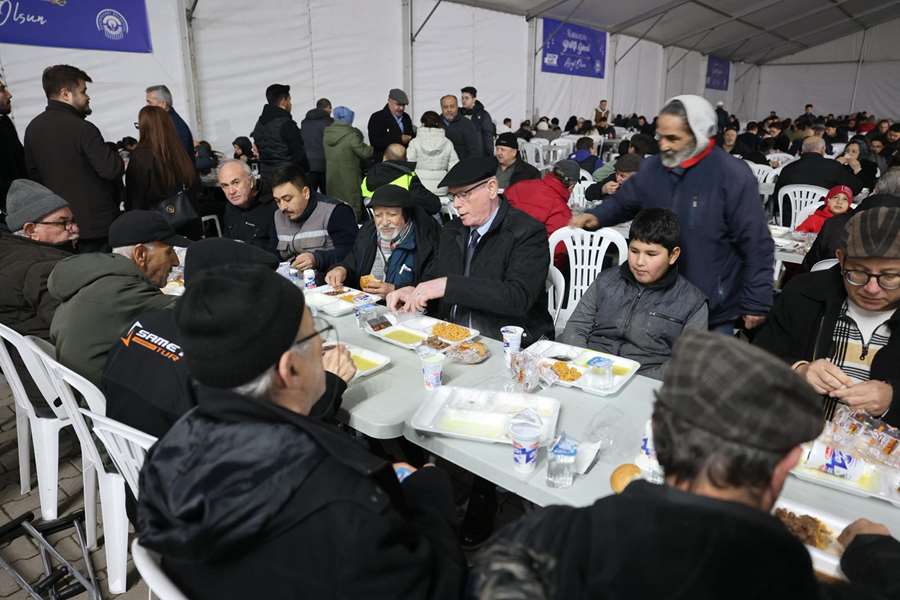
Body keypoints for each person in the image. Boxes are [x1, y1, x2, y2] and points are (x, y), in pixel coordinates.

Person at [469, 329, 900, 600]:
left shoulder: (548, 537)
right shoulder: (793, 581)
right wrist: (877, 555)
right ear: (788, 462)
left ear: (657, 433)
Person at [136, 265, 466, 600]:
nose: (324, 345)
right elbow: (436, 587)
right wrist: (429, 489)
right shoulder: (342, 505)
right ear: (289, 369)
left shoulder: (167, 453)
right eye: (317, 336)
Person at [102, 237, 356, 439]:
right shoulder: (223, 366)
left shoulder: (144, 323)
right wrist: (329, 384)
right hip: (207, 493)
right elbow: (279, 442)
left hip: (136, 471)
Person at [570, 95, 773, 334]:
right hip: (658, 296)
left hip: (711, 304)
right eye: (661, 137)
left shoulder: (732, 175)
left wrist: (756, 300)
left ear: (700, 136)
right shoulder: (653, 168)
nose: (663, 145)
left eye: (673, 138)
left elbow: (756, 241)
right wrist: (597, 216)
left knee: (700, 369)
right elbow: (625, 201)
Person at [756, 207, 900, 426]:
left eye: (889, 277)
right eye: (858, 273)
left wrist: (892, 397)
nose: (872, 288)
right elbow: (755, 361)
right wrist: (799, 370)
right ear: (841, 259)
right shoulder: (804, 294)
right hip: (795, 439)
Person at [387, 157, 553, 342]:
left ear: (491, 188)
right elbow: (435, 278)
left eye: (463, 194)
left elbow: (517, 298)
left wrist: (449, 285)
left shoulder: (527, 232)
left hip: (507, 340)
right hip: (452, 336)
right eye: (453, 197)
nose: (456, 204)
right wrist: (414, 292)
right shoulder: (452, 230)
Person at [559, 209, 707, 378]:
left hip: (646, 381)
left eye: (651, 254)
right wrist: (584, 365)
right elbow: (577, 326)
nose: (639, 262)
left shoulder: (692, 302)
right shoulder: (606, 281)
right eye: (634, 251)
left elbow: (685, 363)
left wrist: (637, 384)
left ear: (673, 255)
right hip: (591, 371)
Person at [48, 210, 185, 385]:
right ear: (141, 254)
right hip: (109, 396)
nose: (175, 261)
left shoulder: (98, 279)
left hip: (87, 386)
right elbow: (194, 313)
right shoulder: (124, 292)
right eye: (169, 252)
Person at [24, 65, 124, 252]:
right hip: (97, 227)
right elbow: (111, 170)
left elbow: (34, 177)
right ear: (66, 94)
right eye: (83, 91)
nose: (87, 97)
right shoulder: (84, 129)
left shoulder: (32, 129)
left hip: (58, 230)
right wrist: (116, 155)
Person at [0, 180, 78, 401]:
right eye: (63, 223)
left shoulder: (11, 251)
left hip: (27, 377)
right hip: (57, 384)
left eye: (72, 221)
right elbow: (74, 326)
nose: (73, 228)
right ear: (31, 230)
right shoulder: (40, 268)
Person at [326, 185, 440, 295]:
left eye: (392, 214)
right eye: (378, 215)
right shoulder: (368, 233)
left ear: (406, 215)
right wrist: (342, 269)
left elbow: (433, 286)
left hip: (408, 311)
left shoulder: (426, 241)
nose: (384, 222)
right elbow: (353, 262)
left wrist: (395, 290)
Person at [271, 164, 357, 279]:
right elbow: (273, 255)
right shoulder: (277, 216)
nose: (282, 207)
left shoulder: (335, 212)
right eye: (277, 201)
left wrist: (317, 259)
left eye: (287, 199)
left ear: (305, 192)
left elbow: (352, 253)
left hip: (328, 284)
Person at [125, 106, 200, 227]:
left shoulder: (141, 156)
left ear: (144, 127)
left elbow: (134, 199)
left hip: (157, 228)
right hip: (186, 219)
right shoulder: (179, 150)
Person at [801, 188, 900, 272]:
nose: (839, 202)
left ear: (875, 190)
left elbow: (809, 266)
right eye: (835, 198)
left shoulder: (834, 223)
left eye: (844, 199)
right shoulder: (824, 220)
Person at [504, 160, 575, 267]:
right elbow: (558, 252)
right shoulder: (562, 210)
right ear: (571, 186)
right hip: (528, 265)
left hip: (498, 253)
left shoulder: (520, 185)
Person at [360, 144, 442, 217]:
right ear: (405, 159)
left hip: (376, 224)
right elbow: (433, 205)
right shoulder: (408, 178)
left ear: (384, 157)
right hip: (402, 225)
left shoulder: (367, 178)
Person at [773, 137, 864, 201]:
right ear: (823, 149)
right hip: (822, 220)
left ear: (802, 150)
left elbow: (776, 198)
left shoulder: (788, 168)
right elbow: (855, 189)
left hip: (790, 219)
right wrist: (857, 170)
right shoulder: (833, 166)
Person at [251, 83, 309, 182]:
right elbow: (299, 156)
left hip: (266, 178)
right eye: (289, 100)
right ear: (283, 101)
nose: (290, 104)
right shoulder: (286, 124)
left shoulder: (259, 124)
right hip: (286, 178)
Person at [218, 159, 278, 255]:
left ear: (250, 182)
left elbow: (280, 251)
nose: (231, 191)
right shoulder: (230, 206)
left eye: (236, 182)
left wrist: (245, 248)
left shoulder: (273, 204)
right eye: (225, 185)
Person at [324, 106, 373, 220]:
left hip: (332, 177)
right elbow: (365, 153)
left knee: (334, 204)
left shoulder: (327, 134)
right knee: (352, 204)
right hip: (349, 176)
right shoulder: (351, 135)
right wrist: (372, 148)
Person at [407, 110, 459, 196]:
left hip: (419, 187)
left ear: (423, 123)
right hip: (441, 188)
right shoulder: (447, 142)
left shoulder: (415, 142)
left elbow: (409, 165)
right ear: (439, 123)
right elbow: (454, 168)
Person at [0, 79, 26, 228]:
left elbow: (22, 164)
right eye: (2, 90)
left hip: (20, 210)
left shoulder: (5, 123)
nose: (9, 95)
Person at [145, 85, 194, 161]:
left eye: (150, 103)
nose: (147, 107)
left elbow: (177, 160)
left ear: (163, 104)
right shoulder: (164, 121)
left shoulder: (175, 127)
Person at [367, 88, 414, 161]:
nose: (401, 108)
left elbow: (411, 136)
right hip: (383, 162)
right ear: (389, 101)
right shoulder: (377, 117)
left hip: (403, 161)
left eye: (403, 105)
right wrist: (399, 139)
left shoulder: (406, 117)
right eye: (398, 104)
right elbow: (375, 141)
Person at [300, 98, 333, 193]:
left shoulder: (304, 122)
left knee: (310, 195)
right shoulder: (329, 122)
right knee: (327, 197)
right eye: (330, 108)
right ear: (327, 108)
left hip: (308, 164)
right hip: (325, 164)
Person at [441, 95, 482, 159]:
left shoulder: (467, 124)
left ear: (457, 107)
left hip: (461, 166)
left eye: (452, 106)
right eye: (445, 107)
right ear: (441, 108)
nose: (449, 110)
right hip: (440, 167)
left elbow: (474, 151)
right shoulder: (435, 123)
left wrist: (464, 167)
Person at [460, 86, 495, 157]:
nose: (463, 100)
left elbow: (488, 137)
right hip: (462, 156)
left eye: (466, 98)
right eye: (462, 98)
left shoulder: (483, 115)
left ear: (474, 99)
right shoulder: (459, 114)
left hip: (478, 156)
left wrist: (489, 156)